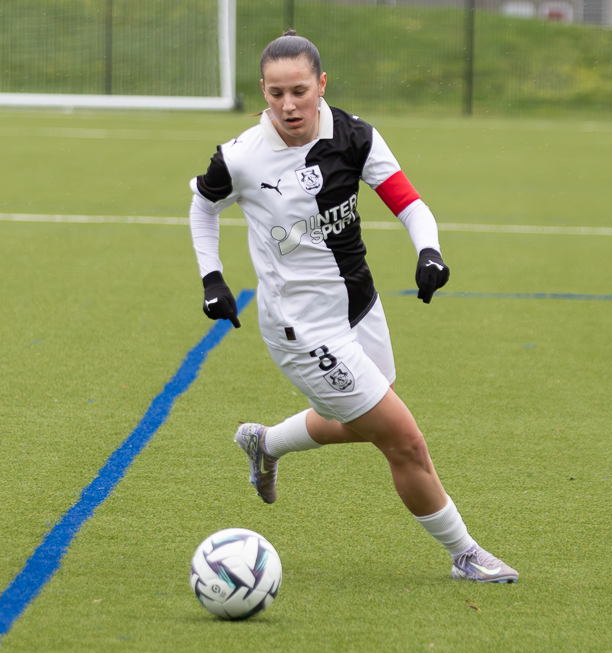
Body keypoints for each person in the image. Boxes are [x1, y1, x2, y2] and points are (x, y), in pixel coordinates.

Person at [188, 31, 516, 583]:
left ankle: (265, 442)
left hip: (360, 307)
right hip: (301, 329)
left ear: (321, 85)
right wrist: (212, 278)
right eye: (275, 94)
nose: (288, 105)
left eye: (298, 91)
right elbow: (203, 206)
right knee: (404, 440)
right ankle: (465, 555)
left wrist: (429, 251)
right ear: (262, 93)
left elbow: (409, 203)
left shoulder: (354, 136)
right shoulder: (241, 157)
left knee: (368, 423)